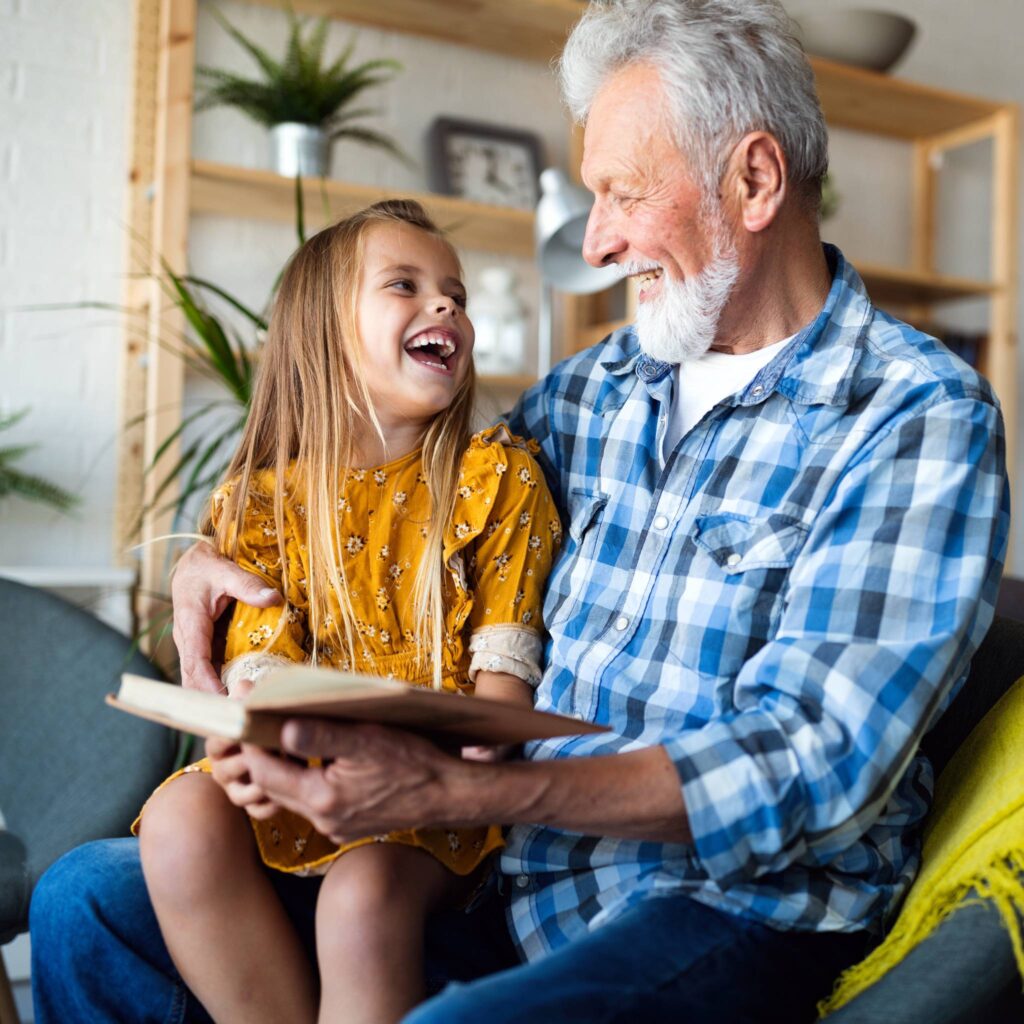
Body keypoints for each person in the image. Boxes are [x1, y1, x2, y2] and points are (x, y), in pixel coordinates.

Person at [31, 2, 1010, 1022]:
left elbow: (815, 760)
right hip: (504, 873)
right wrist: (207, 556)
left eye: (619, 194)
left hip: (719, 909)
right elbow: (412, 488)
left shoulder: (911, 413)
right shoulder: (591, 392)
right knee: (85, 901)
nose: (595, 242)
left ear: (754, 181)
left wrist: (462, 794)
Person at [131, 198, 560, 1024]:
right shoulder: (259, 504)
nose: (446, 306)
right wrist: (253, 738)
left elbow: (505, 679)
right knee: (181, 816)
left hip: (429, 799)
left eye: (456, 295)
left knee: (364, 894)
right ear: (325, 336)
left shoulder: (497, 478)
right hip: (301, 768)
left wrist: (457, 771)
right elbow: (256, 680)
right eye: (405, 285)